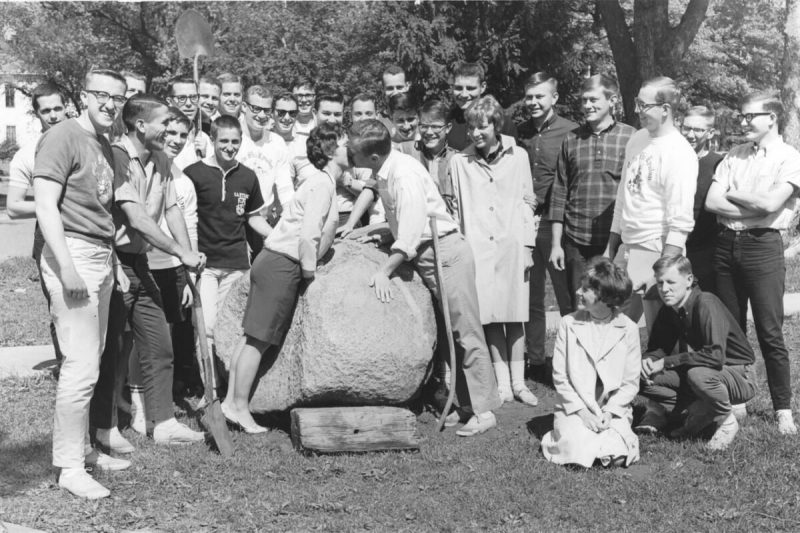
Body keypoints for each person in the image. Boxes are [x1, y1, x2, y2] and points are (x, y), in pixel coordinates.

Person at [347, 119, 501, 437]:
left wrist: (384, 271)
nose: (350, 157)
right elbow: (397, 220)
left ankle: (484, 411)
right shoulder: (387, 171)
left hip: (445, 253)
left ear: (373, 157)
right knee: (447, 334)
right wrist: (369, 231)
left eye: (354, 153)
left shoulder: (403, 175)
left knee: (465, 332)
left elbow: (410, 232)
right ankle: (465, 404)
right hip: (429, 255)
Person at [34, 68, 130, 499]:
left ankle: (85, 450)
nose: (110, 104)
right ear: (85, 97)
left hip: (100, 256)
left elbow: (100, 213)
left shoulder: (103, 144)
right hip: (71, 256)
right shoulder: (63, 136)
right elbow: (45, 206)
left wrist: (115, 261)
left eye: (118, 98)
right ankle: (69, 467)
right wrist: (67, 268)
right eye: (102, 96)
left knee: (93, 359)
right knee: (80, 366)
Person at [90, 94, 206, 452]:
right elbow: (137, 218)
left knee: (160, 345)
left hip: (142, 263)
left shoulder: (160, 159)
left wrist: (187, 258)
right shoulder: (117, 157)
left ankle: (163, 422)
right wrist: (178, 251)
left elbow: (172, 211)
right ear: (141, 125)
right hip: (115, 261)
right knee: (115, 350)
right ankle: (104, 427)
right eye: (164, 123)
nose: (170, 129)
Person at [221, 123, 341, 433]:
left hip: (271, 260)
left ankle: (230, 402)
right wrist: (309, 272)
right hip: (283, 264)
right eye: (344, 144)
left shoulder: (321, 181)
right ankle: (238, 406)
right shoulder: (322, 185)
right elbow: (309, 234)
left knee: (250, 337)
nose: (351, 149)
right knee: (258, 340)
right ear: (331, 151)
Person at [705, 91, 800, 434]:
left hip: (764, 247)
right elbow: (712, 201)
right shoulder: (734, 154)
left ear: (772, 118)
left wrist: (735, 195)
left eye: (750, 117)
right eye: (741, 116)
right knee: (732, 329)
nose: (743, 122)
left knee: (770, 331)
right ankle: (738, 400)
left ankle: (782, 409)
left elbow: (772, 203)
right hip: (726, 246)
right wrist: (752, 206)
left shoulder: (789, 157)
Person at [447, 96, 538, 406]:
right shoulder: (460, 162)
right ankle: (502, 383)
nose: (475, 133)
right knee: (489, 315)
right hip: (477, 247)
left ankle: (519, 382)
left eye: (482, 126)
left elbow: (528, 201)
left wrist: (527, 245)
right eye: (471, 127)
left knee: (514, 314)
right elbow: (457, 209)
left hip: (512, 243)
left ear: (496, 125)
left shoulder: (519, 155)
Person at [604, 76, 697, 331]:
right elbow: (623, 197)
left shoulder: (679, 153)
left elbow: (680, 224)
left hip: (657, 250)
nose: (636, 110)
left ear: (665, 109)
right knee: (615, 328)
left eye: (643, 105)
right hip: (627, 248)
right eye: (636, 103)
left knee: (658, 337)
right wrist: (611, 250)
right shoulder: (638, 139)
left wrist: (660, 273)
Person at [637, 255, 756, 450]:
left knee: (698, 374)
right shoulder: (669, 309)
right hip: (704, 370)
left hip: (739, 373)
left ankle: (725, 420)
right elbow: (657, 347)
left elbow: (715, 357)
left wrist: (666, 362)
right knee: (634, 375)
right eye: (660, 283)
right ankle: (702, 409)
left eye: (671, 282)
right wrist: (649, 360)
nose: (664, 289)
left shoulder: (706, 302)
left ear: (689, 280)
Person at [184, 115, 271, 368]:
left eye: (235, 141)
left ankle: (228, 386)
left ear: (241, 141)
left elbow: (253, 218)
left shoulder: (248, 176)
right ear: (212, 140)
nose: (229, 147)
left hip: (238, 265)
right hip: (206, 266)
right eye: (223, 141)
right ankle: (209, 390)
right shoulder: (194, 174)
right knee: (206, 326)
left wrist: (278, 236)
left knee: (231, 328)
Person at [132, 109, 200, 426]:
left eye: (182, 135)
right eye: (170, 132)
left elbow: (181, 219)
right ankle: (133, 399)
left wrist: (187, 263)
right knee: (133, 340)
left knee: (164, 340)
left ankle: (158, 404)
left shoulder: (181, 178)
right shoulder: (137, 163)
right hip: (142, 261)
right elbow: (140, 220)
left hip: (171, 264)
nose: (175, 139)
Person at [541, 257, 640, 468]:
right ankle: (578, 439)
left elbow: (630, 382)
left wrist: (609, 412)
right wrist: (583, 413)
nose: (578, 292)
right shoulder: (569, 324)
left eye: (585, 289)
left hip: (611, 408)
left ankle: (609, 441)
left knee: (617, 448)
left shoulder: (628, 329)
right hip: (575, 407)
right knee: (577, 445)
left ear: (604, 297)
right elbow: (561, 377)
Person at [549, 74, 636, 311]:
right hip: (576, 241)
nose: (587, 106)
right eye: (584, 100)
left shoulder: (631, 138)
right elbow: (559, 192)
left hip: (614, 240)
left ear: (612, 100)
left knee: (612, 306)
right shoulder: (572, 139)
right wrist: (556, 244)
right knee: (578, 304)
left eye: (594, 100)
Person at [516, 72, 577, 380]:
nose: (534, 102)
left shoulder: (571, 131)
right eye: (529, 96)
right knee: (532, 294)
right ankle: (537, 358)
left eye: (540, 96)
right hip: (526, 221)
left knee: (567, 295)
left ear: (554, 97)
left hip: (557, 224)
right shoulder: (520, 133)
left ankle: (573, 358)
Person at [7, 83, 69, 366]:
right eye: (46, 111)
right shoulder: (27, 153)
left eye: (58, 108)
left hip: (90, 234)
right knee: (60, 306)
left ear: (67, 106)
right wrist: (51, 206)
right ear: (37, 115)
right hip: (48, 237)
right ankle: (65, 368)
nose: (54, 115)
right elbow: (14, 206)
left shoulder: (84, 141)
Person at [237, 85, 293, 257]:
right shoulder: (232, 138)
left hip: (262, 221)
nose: (261, 115)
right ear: (244, 107)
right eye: (256, 108)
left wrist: (292, 223)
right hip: (235, 224)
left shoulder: (276, 142)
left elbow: (285, 190)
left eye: (266, 110)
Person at [681, 106, 724, 294]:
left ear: (710, 133)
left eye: (698, 130)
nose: (690, 134)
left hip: (706, 249)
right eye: (686, 128)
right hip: (672, 246)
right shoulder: (671, 159)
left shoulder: (719, 164)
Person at [447, 61, 516, 151]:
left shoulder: (501, 121)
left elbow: (513, 160)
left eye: (470, 88)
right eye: (458, 88)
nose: (464, 94)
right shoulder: (446, 120)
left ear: (482, 87)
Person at [166, 77, 209, 167]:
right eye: (182, 98)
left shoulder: (204, 139)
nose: (189, 103)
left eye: (193, 97)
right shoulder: (160, 136)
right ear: (169, 102)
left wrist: (207, 158)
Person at [271, 91, 305, 158]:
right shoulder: (262, 142)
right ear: (272, 113)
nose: (287, 118)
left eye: (292, 113)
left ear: (297, 115)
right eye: (281, 112)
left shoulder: (304, 145)